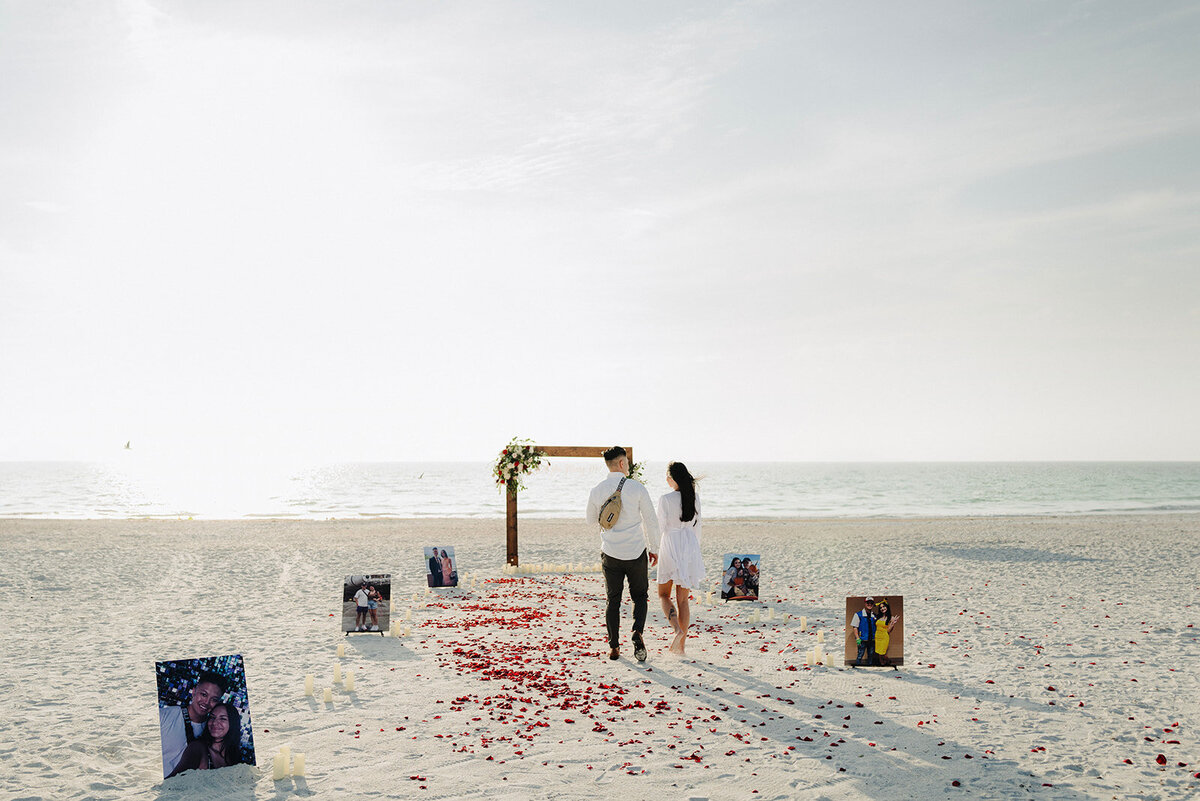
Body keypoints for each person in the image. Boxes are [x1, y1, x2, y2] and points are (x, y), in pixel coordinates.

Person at [586, 446, 659, 662]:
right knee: (639, 596)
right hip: (636, 552)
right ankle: (637, 632)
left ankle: (614, 647)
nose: (628, 465)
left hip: (611, 553)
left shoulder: (597, 489)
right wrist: (654, 548)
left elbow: (591, 520)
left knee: (613, 599)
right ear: (621, 463)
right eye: (626, 462)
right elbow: (651, 520)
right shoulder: (637, 488)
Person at [656, 462, 704, 656]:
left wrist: (653, 549)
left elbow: (660, 527)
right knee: (683, 600)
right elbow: (697, 527)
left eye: (667, 476)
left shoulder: (665, 499)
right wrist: (694, 551)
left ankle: (677, 629)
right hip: (689, 545)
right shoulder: (694, 497)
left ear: (672, 479)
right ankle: (681, 646)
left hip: (671, 544)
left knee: (663, 594)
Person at [160, 670, 229, 778]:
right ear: (193, 691)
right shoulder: (164, 716)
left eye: (214, 699)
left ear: (219, 702)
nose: (206, 702)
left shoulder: (214, 732)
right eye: (203, 694)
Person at [166, 702, 244, 777]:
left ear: (233, 724)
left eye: (223, 719)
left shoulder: (235, 758)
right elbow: (172, 781)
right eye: (212, 717)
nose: (214, 723)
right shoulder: (198, 748)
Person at [850, 597, 878, 666]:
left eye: (871, 603)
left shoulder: (874, 615)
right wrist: (857, 638)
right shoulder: (858, 615)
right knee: (860, 654)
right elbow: (855, 627)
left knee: (871, 655)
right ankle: (857, 667)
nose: (869, 604)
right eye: (868, 603)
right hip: (862, 640)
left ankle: (869, 667)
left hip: (872, 639)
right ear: (865, 603)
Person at [874, 599, 900, 666]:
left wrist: (892, 623)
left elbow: (888, 631)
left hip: (884, 637)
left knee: (882, 652)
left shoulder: (891, 618)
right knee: (878, 652)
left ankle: (888, 661)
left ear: (887, 607)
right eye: (881, 608)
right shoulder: (878, 617)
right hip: (877, 636)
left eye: (883, 607)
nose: (882, 608)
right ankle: (882, 664)